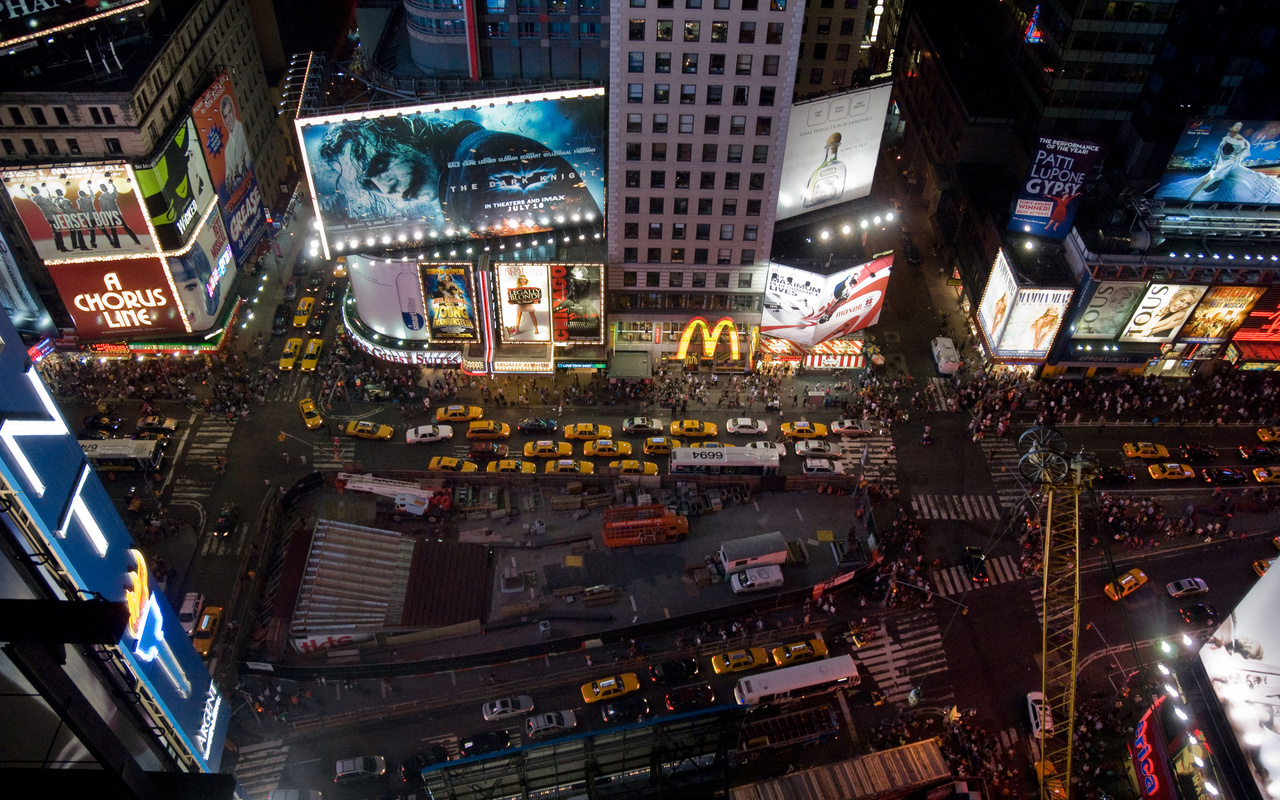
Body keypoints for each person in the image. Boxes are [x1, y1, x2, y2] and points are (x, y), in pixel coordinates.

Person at [313, 115, 602, 231]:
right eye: (370, 186)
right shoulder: (463, 170)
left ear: (408, 135)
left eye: (380, 164)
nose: (385, 187)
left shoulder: (480, 156)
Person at [219, 94, 252, 194]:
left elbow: (249, 159)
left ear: (233, 110)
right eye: (225, 116)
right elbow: (227, 178)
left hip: (250, 182)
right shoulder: (227, 149)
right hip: (240, 192)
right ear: (223, 120)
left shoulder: (243, 129)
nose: (229, 119)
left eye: (230, 112)